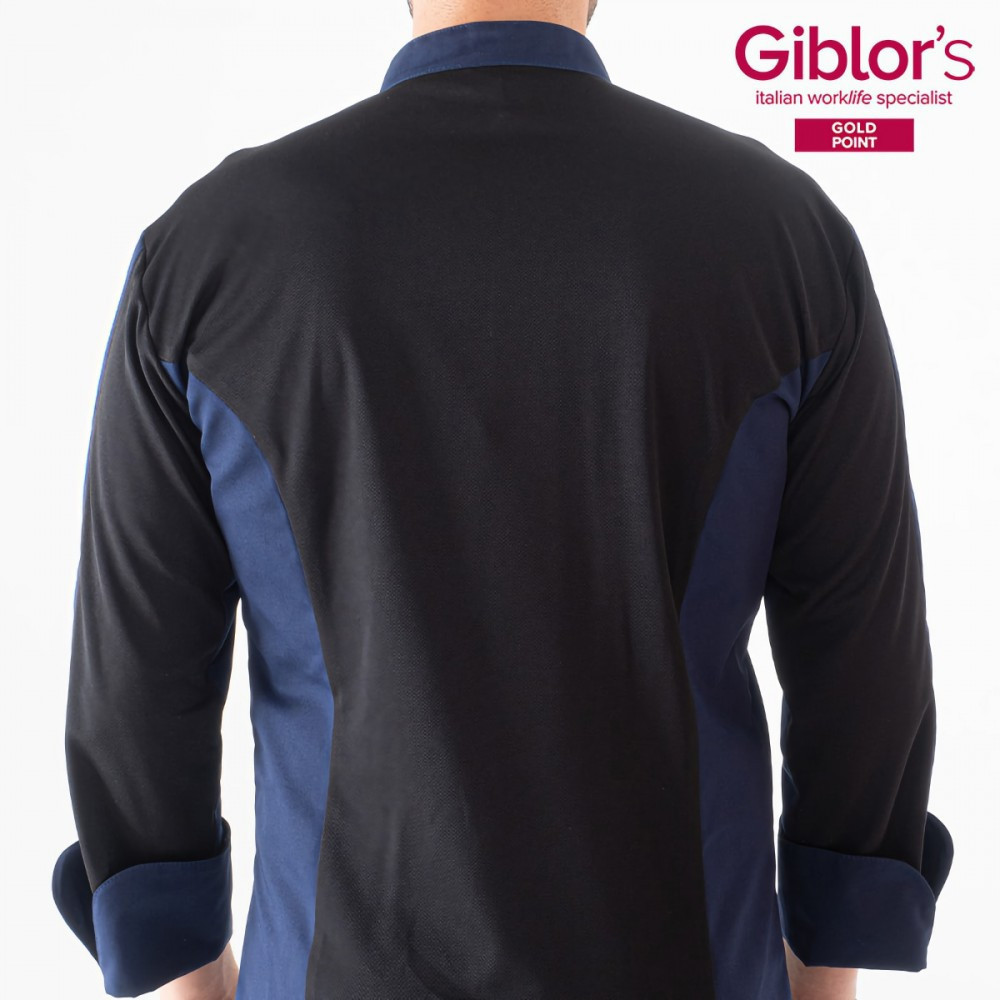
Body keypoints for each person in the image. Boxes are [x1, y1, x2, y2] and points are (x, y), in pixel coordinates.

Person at [50, 2, 954, 999]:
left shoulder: (212, 251)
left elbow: (137, 689)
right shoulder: (780, 236)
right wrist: (823, 972)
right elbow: (862, 670)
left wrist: (197, 975)